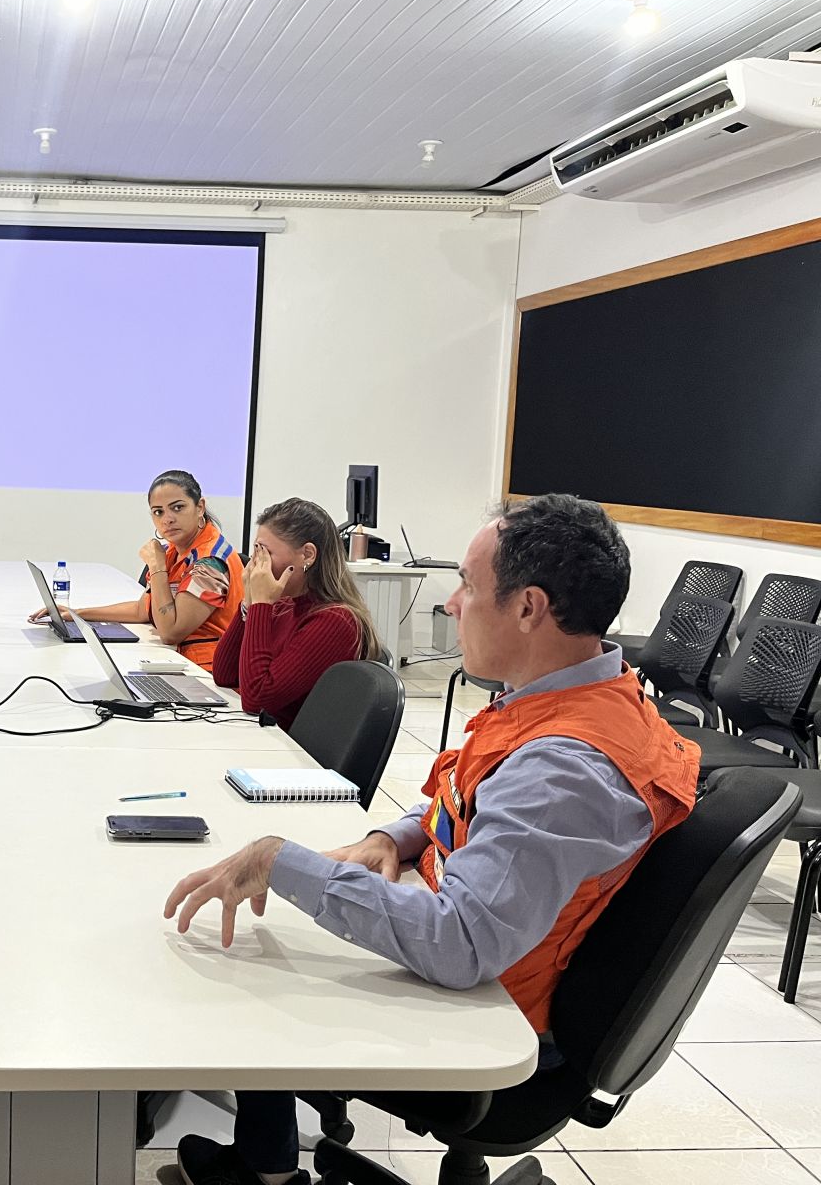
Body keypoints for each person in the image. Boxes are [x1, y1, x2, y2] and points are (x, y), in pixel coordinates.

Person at [162, 494, 699, 1185]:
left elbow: (460, 944)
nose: (451, 603)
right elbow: (477, 794)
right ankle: (264, 1159)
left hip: (490, 1010)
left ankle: (264, 1171)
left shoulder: (567, 765)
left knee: (249, 955)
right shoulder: (583, 699)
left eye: (468, 585)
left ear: (529, 608)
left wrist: (277, 861)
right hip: (495, 948)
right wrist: (396, 832)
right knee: (277, 924)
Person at [31, 469, 242, 669]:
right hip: (176, 660)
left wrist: (158, 567)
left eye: (178, 508)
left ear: (200, 507)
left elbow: (171, 632)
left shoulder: (210, 562)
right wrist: (77, 614)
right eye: (158, 512)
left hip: (209, 673)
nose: (167, 519)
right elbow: (144, 610)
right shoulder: (172, 551)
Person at [211, 498, 381, 728]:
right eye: (255, 552)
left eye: (265, 553)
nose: (255, 564)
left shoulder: (335, 621)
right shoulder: (285, 605)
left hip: (291, 750)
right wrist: (249, 604)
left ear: (308, 554)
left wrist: (261, 604)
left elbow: (256, 699)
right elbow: (224, 675)